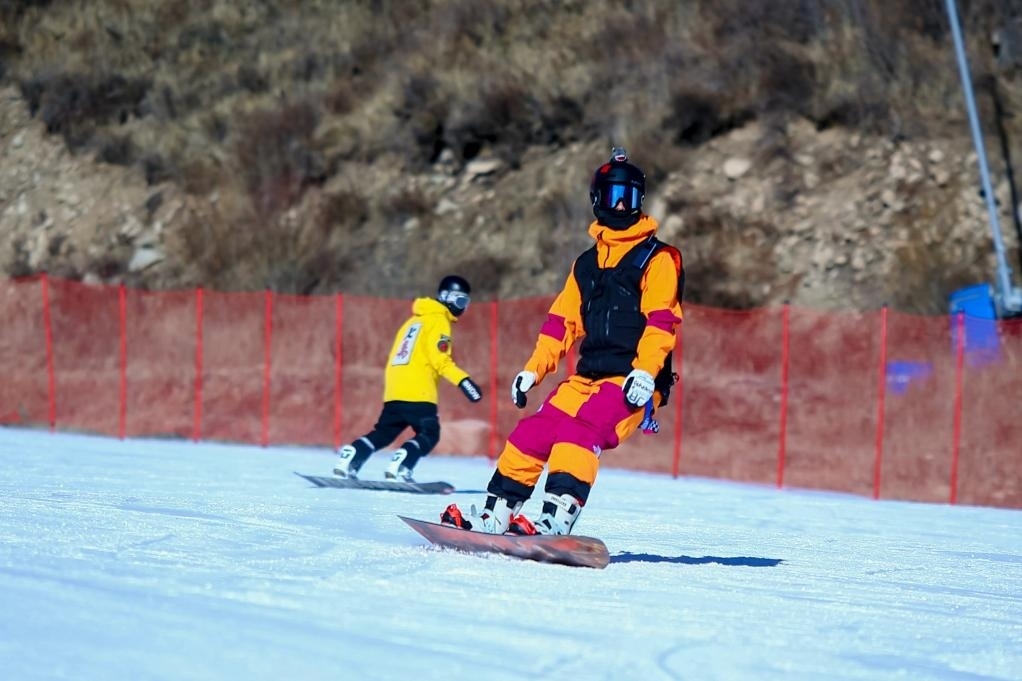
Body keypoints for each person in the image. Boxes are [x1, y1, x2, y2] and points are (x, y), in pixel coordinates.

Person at [442, 148, 683, 535]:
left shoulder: (658, 259)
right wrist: (533, 370)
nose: (621, 206)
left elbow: (662, 321)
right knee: (533, 432)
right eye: (613, 196)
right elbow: (561, 323)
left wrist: (645, 372)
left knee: (580, 431)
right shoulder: (586, 265)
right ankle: (496, 511)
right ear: (597, 200)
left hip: (631, 380)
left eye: (630, 197)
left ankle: (556, 515)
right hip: (587, 378)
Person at [333, 275, 484, 482]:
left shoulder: (413, 322)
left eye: (466, 302)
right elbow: (440, 360)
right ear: (445, 297)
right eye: (460, 300)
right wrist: (464, 381)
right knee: (430, 433)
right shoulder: (439, 321)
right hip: (419, 391)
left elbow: (397, 355)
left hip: (395, 390)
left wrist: (394, 387)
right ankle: (402, 465)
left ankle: (351, 456)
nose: (463, 307)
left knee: (384, 433)